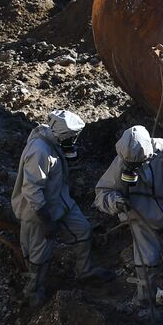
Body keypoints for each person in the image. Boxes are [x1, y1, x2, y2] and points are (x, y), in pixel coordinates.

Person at [10, 109, 116, 307]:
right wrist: (47, 220)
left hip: (60, 203)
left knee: (83, 230)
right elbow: (32, 190)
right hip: (38, 212)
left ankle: (85, 271)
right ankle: (33, 291)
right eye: (73, 137)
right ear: (63, 135)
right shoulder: (40, 151)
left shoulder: (53, 142)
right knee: (39, 255)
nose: (75, 140)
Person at [95, 125, 163, 316]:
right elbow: (102, 193)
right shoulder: (121, 163)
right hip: (141, 215)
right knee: (148, 262)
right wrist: (115, 202)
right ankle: (145, 305)